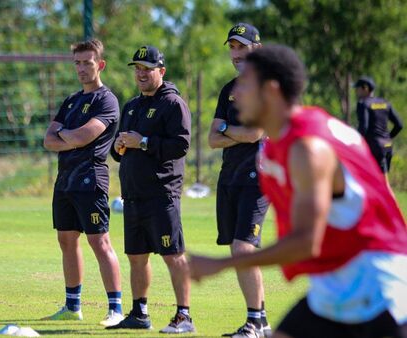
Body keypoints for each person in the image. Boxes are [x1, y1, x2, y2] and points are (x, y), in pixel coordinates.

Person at [190, 45, 407, 338]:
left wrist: (222, 264)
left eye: (245, 85)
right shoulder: (280, 146)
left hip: (380, 290)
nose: (236, 93)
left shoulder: (308, 147)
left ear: (271, 90)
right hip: (334, 286)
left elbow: (306, 242)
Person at [107, 45, 195, 334]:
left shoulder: (173, 104)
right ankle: (139, 312)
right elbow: (120, 149)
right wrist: (119, 147)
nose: (141, 73)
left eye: (147, 68)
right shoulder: (132, 106)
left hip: (161, 194)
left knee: (172, 254)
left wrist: (143, 142)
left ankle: (184, 316)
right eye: (137, 68)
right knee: (136, 256)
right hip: (133, 196)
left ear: (162, 71)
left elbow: (181, 145)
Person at [42, 39, 123, 327]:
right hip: (65, 181)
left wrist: (66, 134)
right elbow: (48, 141)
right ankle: (72, 306)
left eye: (87, 62)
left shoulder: (107, 100)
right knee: (66, 240)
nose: (81, 68)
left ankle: (116, 308)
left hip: (91, 180)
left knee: (99, 242)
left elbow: (80, 138)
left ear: (99, 64)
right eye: (77, 62)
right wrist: (69, 135)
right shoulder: (71, 101)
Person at [208, 23, 271, 338]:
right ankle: (263, 321)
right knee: (239, 249)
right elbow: (211, 139)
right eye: (232, 47)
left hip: (258, 178)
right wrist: (232, 134)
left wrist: (226, 131)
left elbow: (255, 133)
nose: (236, 53)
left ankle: (255, 323)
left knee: (243, 248)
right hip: (229, 178)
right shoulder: (228, 89)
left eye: (242, 46)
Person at [354, 76, 403, 176]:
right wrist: (387, 137)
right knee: (382, 181)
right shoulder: (385, 103)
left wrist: (355, 142)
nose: (356, 91)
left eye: (358, 88)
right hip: (387, 146)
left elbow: (363, 127)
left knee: (377, 183)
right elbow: (399, 124)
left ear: (365, 88)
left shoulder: (364, 104)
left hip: (375, 148)